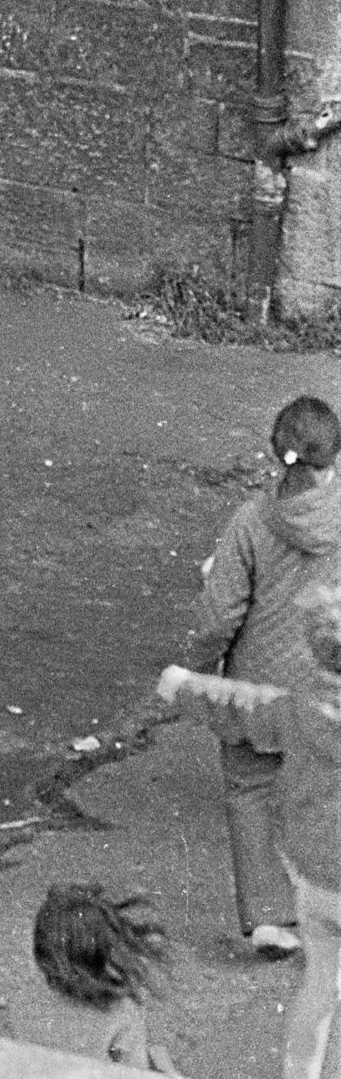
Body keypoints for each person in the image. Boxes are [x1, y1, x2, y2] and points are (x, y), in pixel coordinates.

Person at [160, 578, 341, 1079]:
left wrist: (182, 684)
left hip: (318, 874)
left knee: (321, 988)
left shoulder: (300, 708)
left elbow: (241, 704)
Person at [184, 393, 341, 958]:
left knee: (250, 790)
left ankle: (272, 921)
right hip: (330, 685)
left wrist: (198, 672)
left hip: (259, 689)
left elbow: (219, 615)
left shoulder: (251, 521)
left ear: (279, 456)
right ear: (333, 460)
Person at [29, 885, 178, 1071]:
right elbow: (137, 1073)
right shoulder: (121, 1009)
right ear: (99, 951)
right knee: (160, 1056)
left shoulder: (24, 999)